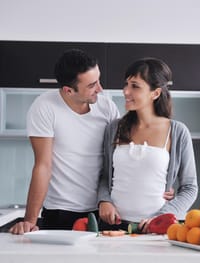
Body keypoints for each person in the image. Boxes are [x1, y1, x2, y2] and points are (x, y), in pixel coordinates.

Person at [10, 48, 120, 234]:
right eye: (92, 85)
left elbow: (118, 159)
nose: (100, 89)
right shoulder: (45, 107)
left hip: (103, 210)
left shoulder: (107, 107)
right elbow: (43, 166)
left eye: (98, 80)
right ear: (69, 90)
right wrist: (30, 220)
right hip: (59, 212)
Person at [97, 57, 198, 233]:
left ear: (155, 93)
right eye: (126, 84)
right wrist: (104, 201)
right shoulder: (114, 128)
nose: (126, 91)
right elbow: (105, 175)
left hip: (156, 228)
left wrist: (162, 215)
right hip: (113, 227)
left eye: (135, 86)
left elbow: (190, 188)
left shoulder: (177, 131)